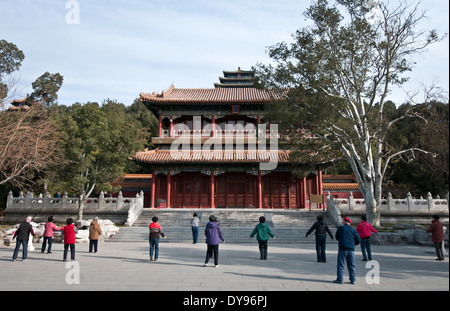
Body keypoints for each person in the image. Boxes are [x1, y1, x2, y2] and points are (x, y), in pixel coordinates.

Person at [334, 217, 361, 284]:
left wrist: (342, 241)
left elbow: (337, 237)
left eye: (343, 220)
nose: (342, 221)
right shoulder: (353, 230)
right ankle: (353, 279)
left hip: (342, 249)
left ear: (344, 221)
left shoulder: (340, 228)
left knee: (341, 264)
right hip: (351, 249)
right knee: (352, 265)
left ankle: (340, 279)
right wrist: (352, 244)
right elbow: (358, 240)